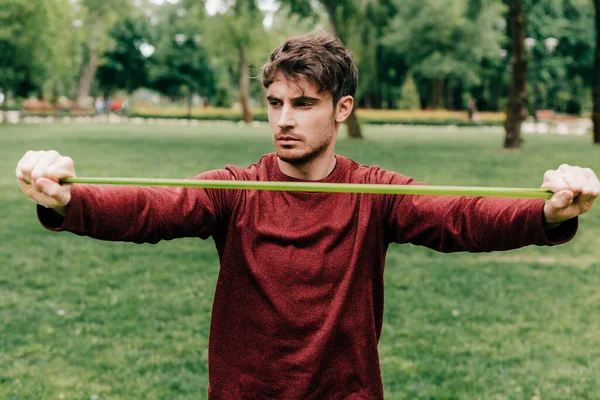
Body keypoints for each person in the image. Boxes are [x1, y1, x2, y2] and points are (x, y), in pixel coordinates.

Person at [15, 32, 600, 399]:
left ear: (341, 108)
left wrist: (546, 214)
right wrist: (69, 199)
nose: (283, 120)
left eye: (303, 103)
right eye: (275, 103)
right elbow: (151, 208)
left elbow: (461, 217)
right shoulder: (237, 189)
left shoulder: (374, 192)